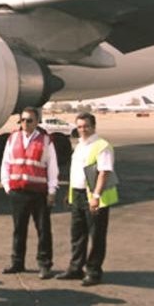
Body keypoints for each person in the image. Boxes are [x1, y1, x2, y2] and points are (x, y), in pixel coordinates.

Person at [55, 112, 119, 287]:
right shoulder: (80, 146)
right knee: (77, 234)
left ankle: (94, 271)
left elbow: (104, 172)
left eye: (86, 126)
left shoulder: (101, 145)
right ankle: (76, 268)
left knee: (96, 235)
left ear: (94, 127)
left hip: (94, 197)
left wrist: (96, 196)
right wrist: (70, 196)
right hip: (77, 194)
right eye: (80, 126)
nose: (82, 129)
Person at [0, 108, 58, 279]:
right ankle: (17, 263)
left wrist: (52, 190)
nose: (25, 123)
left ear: (37, 122)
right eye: (23, 120)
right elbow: (6, 163)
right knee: (19, 229)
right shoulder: (13, 138)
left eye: (29, 120)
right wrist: (7, 186)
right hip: (18, 192)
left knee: (43, 230)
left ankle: (45, 265)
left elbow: (52, 167)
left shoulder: (46, 141)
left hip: (38, 192)